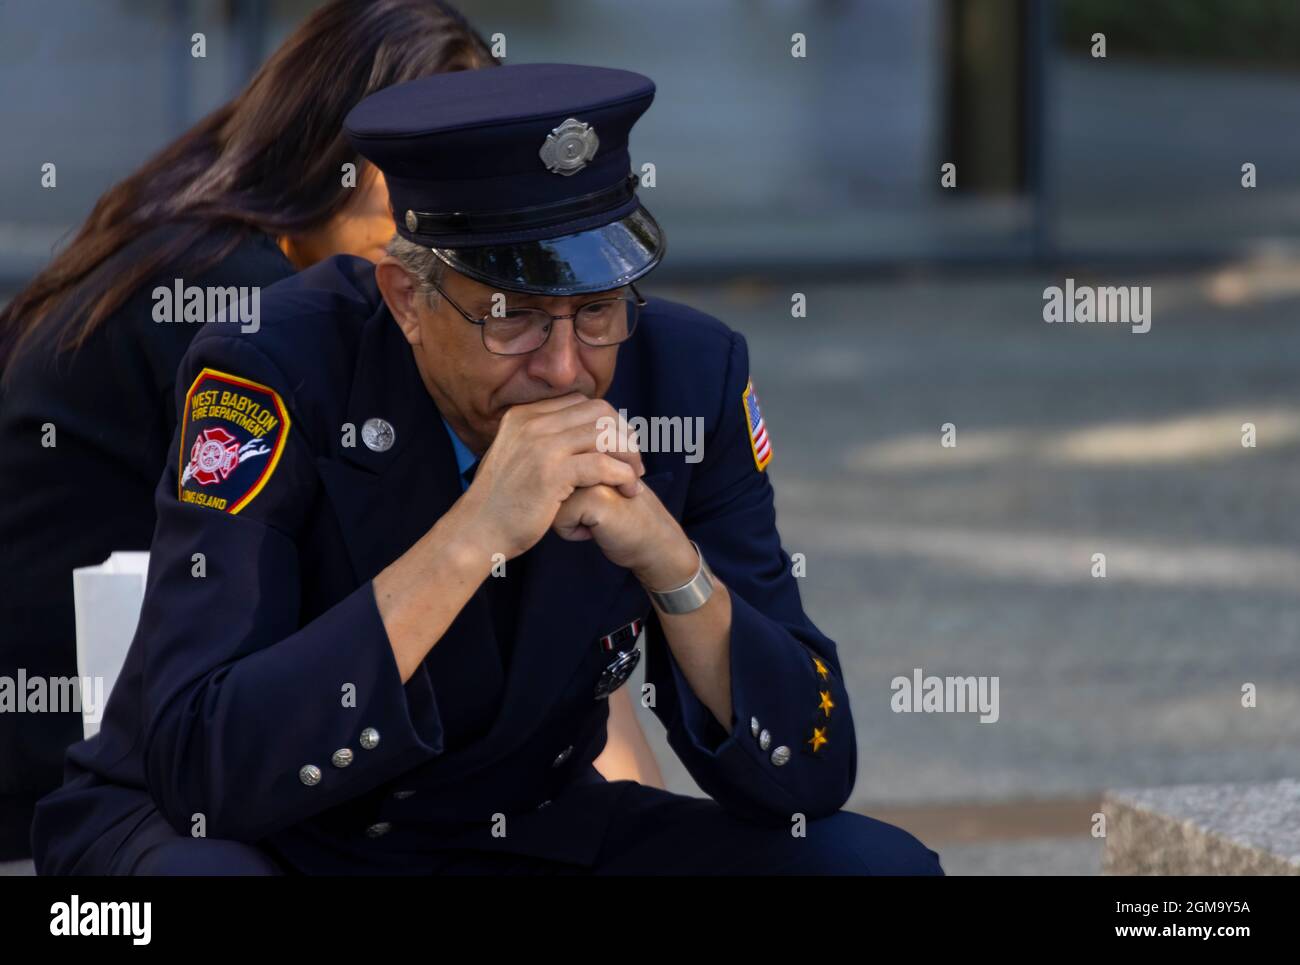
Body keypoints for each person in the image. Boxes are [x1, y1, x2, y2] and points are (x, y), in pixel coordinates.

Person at [32, 63, 943, 875]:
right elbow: (209, 767)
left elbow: (810, 768)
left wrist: (671, 565)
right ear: (406, 298)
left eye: (596, 312)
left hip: (517, 827)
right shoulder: (267, 371)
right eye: (510, 320)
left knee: (870, 866)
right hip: (261, 834)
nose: (562, 366)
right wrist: (472, 534)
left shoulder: (688, 377)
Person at [0, 2, 659, 864]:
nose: (465, 206)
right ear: (327, 154)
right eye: (429, 161)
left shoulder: (195, 233)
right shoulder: (247, 313)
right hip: (84, 758)